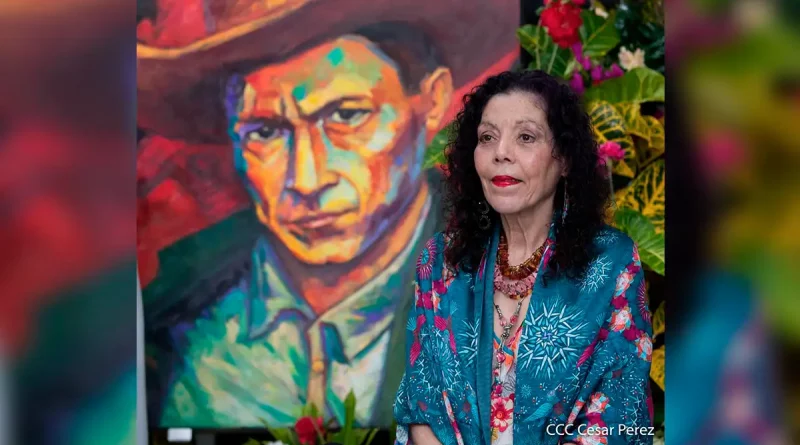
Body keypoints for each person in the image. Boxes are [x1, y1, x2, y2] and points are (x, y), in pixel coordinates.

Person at [135, 0, 518, 428]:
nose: (307, 179)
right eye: (265, 131)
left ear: (431, 102)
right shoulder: (173, 307)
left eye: (346, 116)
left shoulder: (508, 280)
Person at [393, 70, 654, 445]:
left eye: (526, 137)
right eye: (487, 137)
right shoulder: (440, 262)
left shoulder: (609, 262)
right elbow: (421, 406)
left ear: (563, 159)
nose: (501, 152)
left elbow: (618, 415)